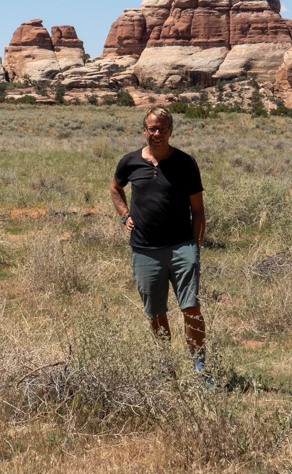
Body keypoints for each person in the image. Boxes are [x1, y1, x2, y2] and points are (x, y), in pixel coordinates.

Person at [110, 106, 209, 378]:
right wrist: (124, 215)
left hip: (181, 247)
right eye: (152, 128)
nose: (157, 133)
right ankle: (167, 368)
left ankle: (200, 368)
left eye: (162, 128)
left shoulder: (185, 163)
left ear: (170, 130)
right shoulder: (130, 162)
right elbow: (115, 189)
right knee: (156, 314)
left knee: (191, 308)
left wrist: (195, 248)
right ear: (144, 130)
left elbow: (198, 209)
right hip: (144, 249)